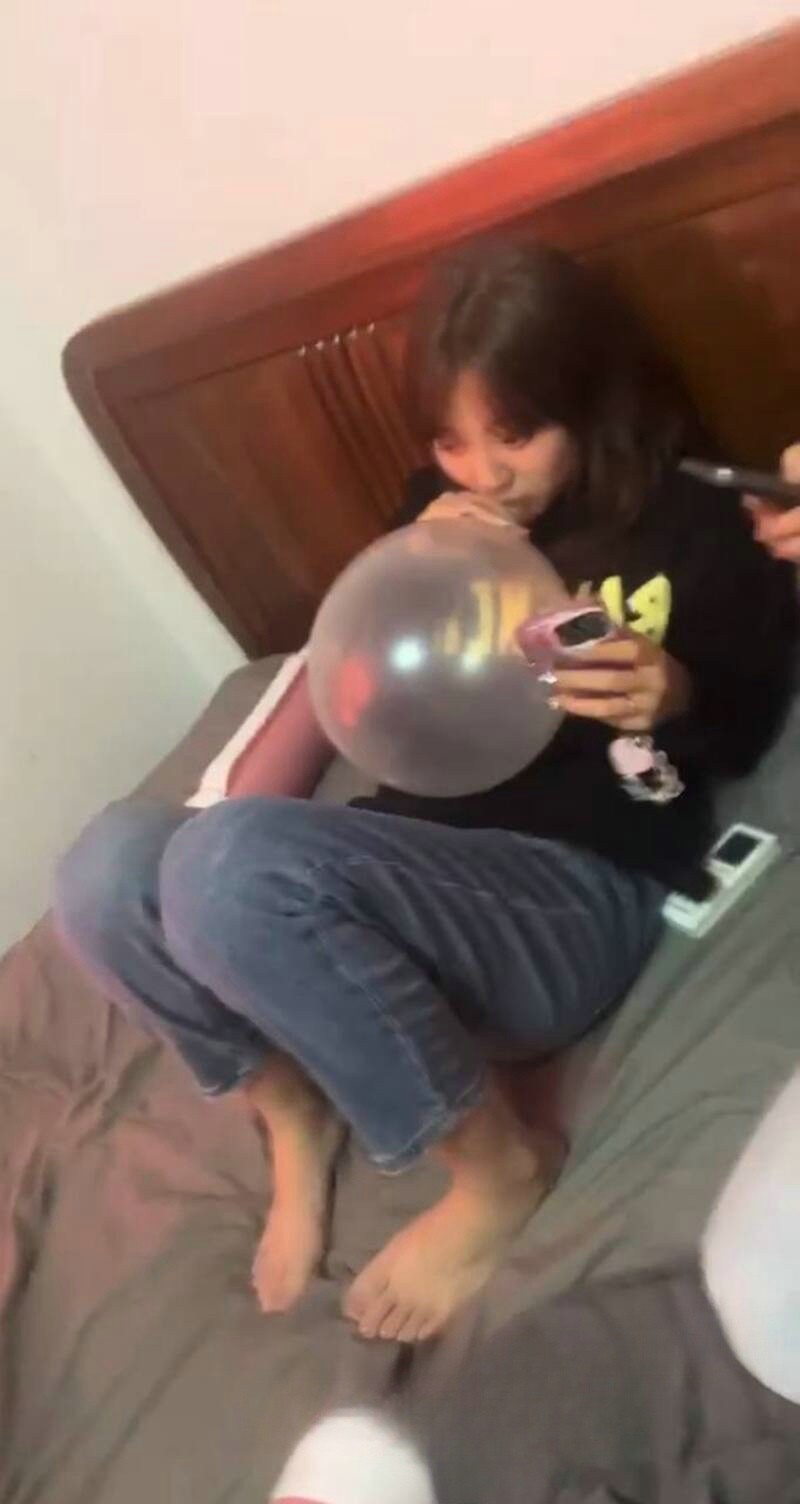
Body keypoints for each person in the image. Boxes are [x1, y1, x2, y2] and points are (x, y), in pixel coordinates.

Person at [54, 241, 799, 1345]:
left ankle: (498, 1169)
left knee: (229, 863)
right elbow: (375, 691)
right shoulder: (436, 515)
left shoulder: (695, 523)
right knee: (105, 865)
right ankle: (288, 1102)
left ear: (590, 404)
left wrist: (672, 689)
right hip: (411, 862)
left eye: (515, 435)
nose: (483, 473)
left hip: (568, 889)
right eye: (452, 441)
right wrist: (418, 555)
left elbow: (742, 724)